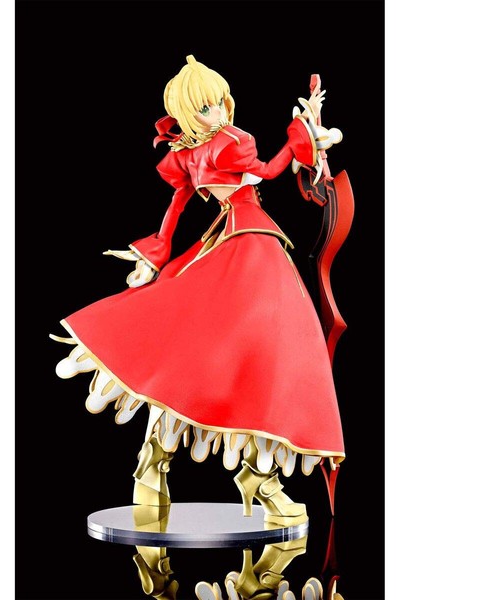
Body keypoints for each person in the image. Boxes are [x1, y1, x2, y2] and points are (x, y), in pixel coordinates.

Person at [51, 55, 345, 526]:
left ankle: (170, 472)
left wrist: (159, 250)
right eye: (205, 107)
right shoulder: (229, 143)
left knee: (226, 354)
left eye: (220, 102)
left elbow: (177, 207)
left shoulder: (188, 153)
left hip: (227, 242)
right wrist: (300, 137)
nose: (218, 112)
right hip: (249, 246)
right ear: (189, 114)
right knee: (260, 352)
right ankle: (247, 477)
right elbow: (267, 172)